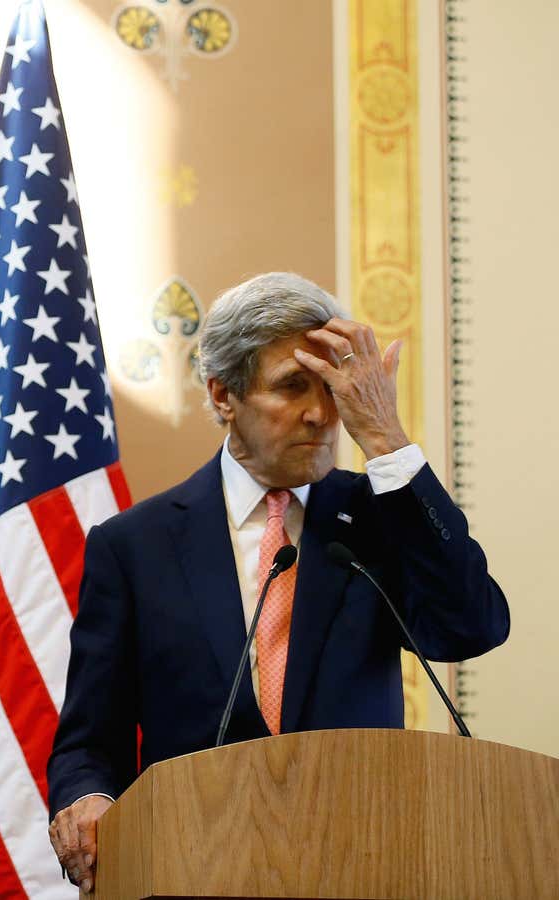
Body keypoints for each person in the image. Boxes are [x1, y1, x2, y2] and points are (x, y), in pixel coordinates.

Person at [45, 272, 508, 892]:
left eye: (332, 388)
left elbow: (470, 627)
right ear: (223, 395)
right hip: (193, 864)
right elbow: (87, 741)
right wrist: (89, 799)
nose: (322, 414)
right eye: (293, 387)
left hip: (364, 862)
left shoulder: (377, 515)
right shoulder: (133, 546)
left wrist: (386, 440)